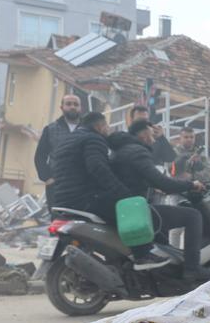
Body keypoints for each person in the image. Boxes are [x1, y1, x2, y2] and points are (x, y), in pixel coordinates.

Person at [50, 112, 169, 270]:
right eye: (107, 126)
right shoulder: (94, 139)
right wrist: (123, 193)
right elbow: (99, 169)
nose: (108, 130)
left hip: (62, 199)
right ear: (99, 126)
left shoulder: (68, 141)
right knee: (133, 213)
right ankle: (143, 255)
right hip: (86, 198)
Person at [109, 120, 209, 277]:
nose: (154, 139)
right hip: (137, 210)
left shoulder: (121, 151)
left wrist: (155, 185)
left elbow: (138, 178)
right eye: (152, 134)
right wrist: (191, 185)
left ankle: (164, 272)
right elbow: (163, 182)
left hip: (126, 208)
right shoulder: (137, 152)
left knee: (163, 235)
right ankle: (192, 268)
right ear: (143, 134)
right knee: (193, 216)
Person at [33, 94, 82, 206]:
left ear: (80, 108)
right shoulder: (50, 129)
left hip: (81, 184)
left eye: (76, 104)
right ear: (62, 107)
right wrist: (47, 178)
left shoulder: (87, 129)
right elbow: (40, 156)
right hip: (57, 184)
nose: (72, 107)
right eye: (68, 104)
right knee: (58, 218)